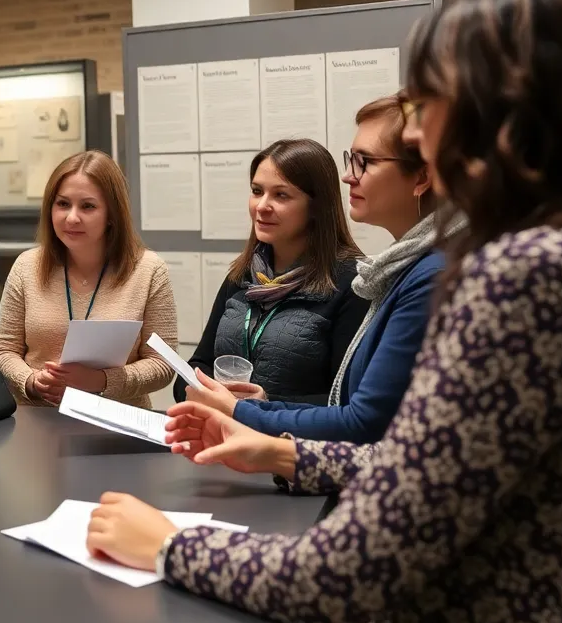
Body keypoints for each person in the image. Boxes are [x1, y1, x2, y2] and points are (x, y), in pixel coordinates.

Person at [85, 0, 562, 623]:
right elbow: (433, 471)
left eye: (427, 105)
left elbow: (345, 575)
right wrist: (281, 450)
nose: (421, 135)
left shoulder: (525, 274)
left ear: (491, 113)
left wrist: (163, 543)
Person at [187, 93, 454, 444]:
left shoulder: (410, 276)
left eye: (365, 162)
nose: (349, 177)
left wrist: (249, 412)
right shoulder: (401, 269)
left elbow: (363, 421)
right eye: (256, 191)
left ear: (422, 176)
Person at [176, 139, 368, 406]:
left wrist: (267, 404)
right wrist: (201, 389)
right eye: (257, 191)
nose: (262, 206)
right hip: (227, 436)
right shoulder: (242, 275)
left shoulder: (353, 282)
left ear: (316, 207)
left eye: (281, 195)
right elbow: (198, 364)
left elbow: (349, 399)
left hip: (296, 443)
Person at [0, 150, 176, 408]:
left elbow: (162, 364)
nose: (72, 218)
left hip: (118, 423)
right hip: (39, 422)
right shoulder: (26, 266)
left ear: (112, 215)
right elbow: (5, 351)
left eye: (88, 206)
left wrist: (99, 381)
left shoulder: (149, 270)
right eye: (63, 204)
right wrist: (33, 381)